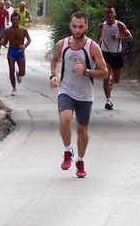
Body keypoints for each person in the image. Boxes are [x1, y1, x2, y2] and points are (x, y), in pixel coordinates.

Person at [50, 11, 108, 178]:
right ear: (70, 26)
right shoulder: (62, 44)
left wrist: (86, 71)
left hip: (84, 93)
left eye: (80, 27)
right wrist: (53, 76)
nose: (77, 30)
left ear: (86, 26)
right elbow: (55, 60)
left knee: (82, 131)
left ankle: (80, 160)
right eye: (74, 26)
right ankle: (68, 151)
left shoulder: (92, 47)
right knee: (65, 119)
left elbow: (104, 72)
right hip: (66, 89)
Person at [96, 6, 133, 110]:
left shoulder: (119, 25)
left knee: (116, 80)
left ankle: (112, 81)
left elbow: (130, 37)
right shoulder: (101, 26)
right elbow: (99, 36)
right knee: (105, 76)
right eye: (108, 13)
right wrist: (97, 45)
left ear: (115, 14)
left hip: (117, 54)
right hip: (105, 53)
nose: (110, 15)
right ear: (105, 14)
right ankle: (109, 100)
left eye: (111, 13)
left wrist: (119, 38)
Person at [0, 12, 32, 96]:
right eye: (13, 20)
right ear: (11, 20)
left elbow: (29, 39)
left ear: (19, 20)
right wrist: (2, 42)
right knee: (11, 70)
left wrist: (25, 46)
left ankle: (19, 74)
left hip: (20, 51)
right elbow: (5, 43)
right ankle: (14, 88)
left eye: (16, 20)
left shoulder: (23, 29)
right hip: (11, 51)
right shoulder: (8, 30)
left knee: (22, 73)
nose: (15, 21)